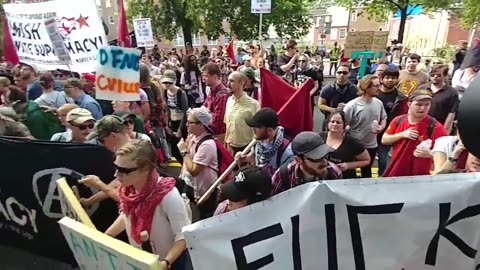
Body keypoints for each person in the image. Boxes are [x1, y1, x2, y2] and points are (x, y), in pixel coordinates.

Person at [103, 140, 190, 270]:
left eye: (123, 170)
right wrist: (106, 237)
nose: (116, 174)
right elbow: (127, 215)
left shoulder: (168, 196)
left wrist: (165, 263)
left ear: (145, 168)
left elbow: (184, 235)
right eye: (116, 167)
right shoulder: (128, 190)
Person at [382, 89, 448, 177]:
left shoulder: (436, 127)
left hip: (419, 177)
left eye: (427, 105)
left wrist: (430, 154)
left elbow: (448, 157)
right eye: (418, 104)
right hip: (395, 173)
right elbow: (384, 139)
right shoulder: (398, 120)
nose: (423, 108)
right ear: (409, 104)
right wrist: (402, 134)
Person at [177, 107, 219, 219]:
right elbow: (187, 163)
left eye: (190, 122)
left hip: (205, 190)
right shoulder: (192, 137)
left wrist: (183, 151)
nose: (186, 125)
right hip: (191, 185)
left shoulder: (207, 145)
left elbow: (194, 170)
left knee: (205, 217)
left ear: (201, 125)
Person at [271, 131, 342, 196]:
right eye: (317, 158)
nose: (325, 162)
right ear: (298, 160)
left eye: (325, 155)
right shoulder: (282, 176)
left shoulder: (334, 172)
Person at [343, 75, 387, 178]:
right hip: (354, 146)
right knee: (350, 173)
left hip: (371, 145)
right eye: (376, 86)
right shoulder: (352, 105)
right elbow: (344, 125)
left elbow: (384, 117)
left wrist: (381, 127)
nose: (379, 88)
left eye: (379, 84)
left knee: (367, 173)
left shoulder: (378, 103)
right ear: (366, 87)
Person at [236, 108, 294, 175]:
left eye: (257, 127)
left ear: (269, 130)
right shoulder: (258, 140)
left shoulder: (287, 152)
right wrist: (244, 158)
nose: (253, 129)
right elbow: (255, 156)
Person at [376, 68, 408, 175]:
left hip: (390, 132)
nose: (390, 80)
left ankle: (382, 176)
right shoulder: (374, 93)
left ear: (397, 80)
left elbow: (404, 116)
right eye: (387, 77)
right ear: (382, 79)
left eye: (393, 78)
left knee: (383, 157)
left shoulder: (401, 97)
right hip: (372, 131)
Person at [323, 112, 371, 179]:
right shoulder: (319, 138)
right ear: (328, 123)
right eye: (332, 121)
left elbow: (366, 160)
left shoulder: (352, 143)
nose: (334, 124)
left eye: (338, 122)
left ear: (344, 125)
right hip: (323, 178)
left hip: (344, 180)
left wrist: (348, 165)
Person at [224, 71, 260, 155]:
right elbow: (227, 125)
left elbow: (258, 130)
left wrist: (251, 152)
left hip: (246, 149)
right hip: (230, 147)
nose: (228, 84)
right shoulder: (229, 101)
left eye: (232, 81)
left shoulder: (253, 104)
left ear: (241, 83)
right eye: (228, 80)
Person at [418, 64, 459, 134]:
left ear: (445, 76)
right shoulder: (422, 88)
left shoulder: (452, 93)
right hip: (420, 125)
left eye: (438, 75)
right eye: (432, 75)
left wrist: (445, 132)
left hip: (438, 127)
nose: (435, 77)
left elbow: (451, 114)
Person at [318, 64, 358, 131]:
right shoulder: (327, 89)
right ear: (335, 73)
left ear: (349, 74)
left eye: (345, 73)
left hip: (348, 122)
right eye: (339, 72)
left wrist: (348, 107)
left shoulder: (354, 89)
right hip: (331, 121)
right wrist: (333, 109)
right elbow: (321, 104)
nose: (342, 75)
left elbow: (358, 105)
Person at [163, 70, 189, 163]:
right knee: (174, 150)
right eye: (165, 82)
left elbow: (185, 111)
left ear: (174, 81)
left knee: (183, 148)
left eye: (169, 82)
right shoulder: (165, 92)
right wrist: (167, 124)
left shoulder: (180, 93)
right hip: (172, 122)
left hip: (182, 122)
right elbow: (167, 109)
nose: (167, 84)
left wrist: (180, 129)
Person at [201, 63, 229, 141]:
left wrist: (204, 115)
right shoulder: (212, 90)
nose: (203, 79)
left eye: (206, 76)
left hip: (218, 135)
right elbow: (203, 107)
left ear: (215, 77)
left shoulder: (222, 95)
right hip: (211, 133)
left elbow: (217, 121)